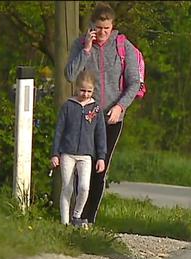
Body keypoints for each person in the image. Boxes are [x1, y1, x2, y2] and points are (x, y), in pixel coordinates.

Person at [65, 1, 140, 225]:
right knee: (80, 166)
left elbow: (135, 81)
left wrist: (120, 106)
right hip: (86, 117)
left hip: (111, 117)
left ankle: (88, 219)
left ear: (112, 26)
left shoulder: (122, 45)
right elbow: (70, 75)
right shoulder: (80, 45)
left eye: (106, 28)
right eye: (98, 28)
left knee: (100, 165)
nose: (102, 33)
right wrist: (87, 50)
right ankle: (75, 215)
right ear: (91, 26)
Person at [51, 70, 107, 227]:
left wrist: (101, 157)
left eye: (89, 91)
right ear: (76, 88)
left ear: (93, 91)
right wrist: (55, 154)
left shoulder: (96, 109)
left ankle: (77, 215)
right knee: (67, 187)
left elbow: (100, 134)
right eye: (83, 90)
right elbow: (59, 131)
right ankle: (64, 222)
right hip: (67, 153)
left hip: (86, 154)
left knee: (84, 187)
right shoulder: (68, 106)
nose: (85, 94)